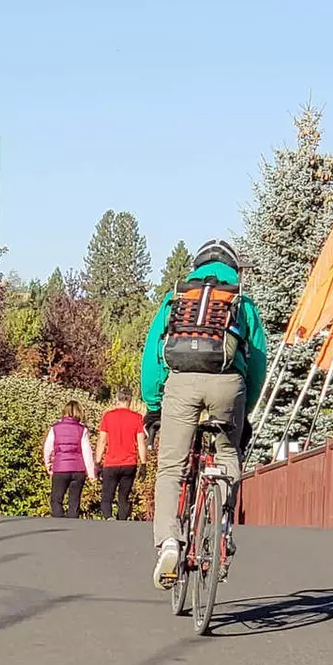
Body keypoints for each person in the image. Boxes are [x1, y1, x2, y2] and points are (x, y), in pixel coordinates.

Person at [139, 238, 268, 587]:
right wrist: (245, 410)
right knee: (227, 453)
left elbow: (153, 356)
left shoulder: (177, 298)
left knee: (171, 466)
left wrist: (153, 406)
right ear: (233, 268)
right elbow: (257, 363)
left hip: (181, 384)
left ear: (196, 266)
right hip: (228, 383)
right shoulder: (241, 302)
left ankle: (169, 541)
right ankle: (222, 532)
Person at [95, 389, 148, 520]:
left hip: (111, 462)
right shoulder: (137, 418)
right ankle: (122, 520)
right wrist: (143, 463)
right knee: (123, 496)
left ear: (117, 399)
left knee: (107, 495)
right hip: (129, 462)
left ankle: (108, 517)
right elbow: (141, 443)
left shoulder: (108, 416)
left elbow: (102, 441)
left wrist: (97, 461)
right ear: (130, 400)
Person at [43, 401, 98, 518]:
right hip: (78, 470)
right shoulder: (82, 430)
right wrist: (91, 474)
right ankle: (72, 525)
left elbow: (47, 448)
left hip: (60, 468)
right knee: (74, 500)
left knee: (56, 499)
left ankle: (59, 521)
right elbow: (87, 452)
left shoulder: (55, 428)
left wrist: (48, 464)